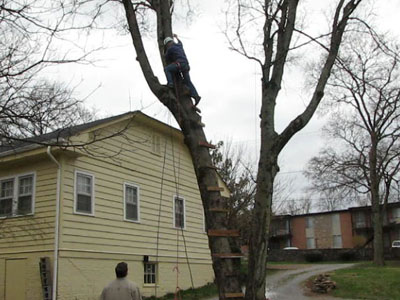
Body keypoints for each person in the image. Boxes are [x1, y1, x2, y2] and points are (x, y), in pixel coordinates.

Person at [164, 34, 201, 106]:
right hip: (186, 65)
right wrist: (176, 37)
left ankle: (170, 83)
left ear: (168, 44)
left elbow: (166, 57)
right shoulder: (179, 45)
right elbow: (180, 42)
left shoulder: (170, 49)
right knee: (188, 81)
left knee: (167, 69)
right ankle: (196, 96)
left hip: (179, 64)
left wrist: (165, 52)